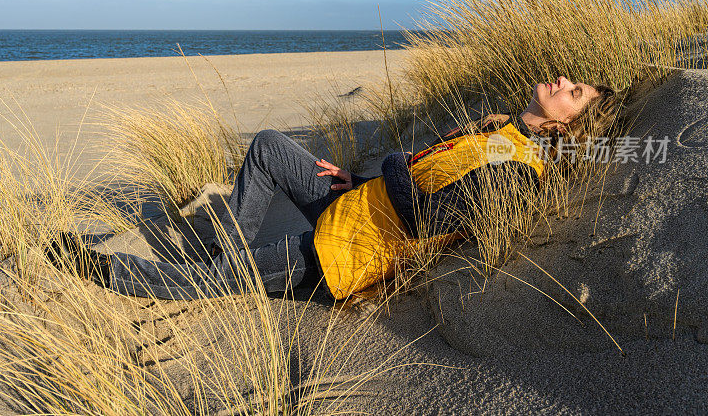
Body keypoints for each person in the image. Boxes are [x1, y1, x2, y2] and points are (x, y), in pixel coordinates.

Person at [48, 76, 621, 301]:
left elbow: (424, 218)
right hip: (352, 205)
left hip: (341, 255)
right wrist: (367, 176)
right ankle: (229, 250)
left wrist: (390, 160)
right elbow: (427, 171)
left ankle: (107, 274)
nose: (563, 83)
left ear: (567, 124)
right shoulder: (502, 134)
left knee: (215, 282)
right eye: (570, 80)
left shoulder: (523, 170)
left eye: (574, 93)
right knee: (271, 145)